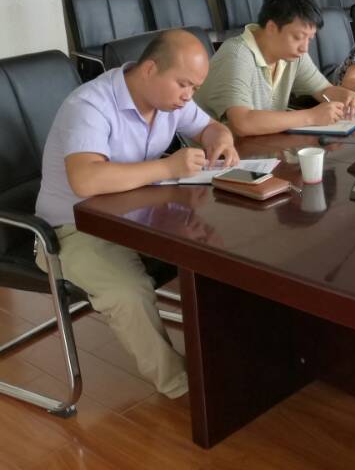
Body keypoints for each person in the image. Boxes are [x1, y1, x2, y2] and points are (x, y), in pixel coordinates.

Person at [34, 29, 240, 399]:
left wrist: (220, 140)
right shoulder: (90, 105)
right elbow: (86, 179)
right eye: (183, 85)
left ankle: (233, 354)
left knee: (219, 247)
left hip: (136, 212)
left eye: (194, 88)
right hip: (72, 229)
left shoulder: (170, 100)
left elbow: (210, 126)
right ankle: (185, 389)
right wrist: (168, 167)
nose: (188, 96)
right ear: (149, 69)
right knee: (128, 292)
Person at [195, 0, 355, 136]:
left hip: (261, 146)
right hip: (213, 155)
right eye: (298, 37)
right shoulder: (237, 55)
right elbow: (242, 122)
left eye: (310, 39)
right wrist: (311, 116)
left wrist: (345, 95)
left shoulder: (292, 54)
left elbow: (323, 90)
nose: (304, 48)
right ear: (271, 28)